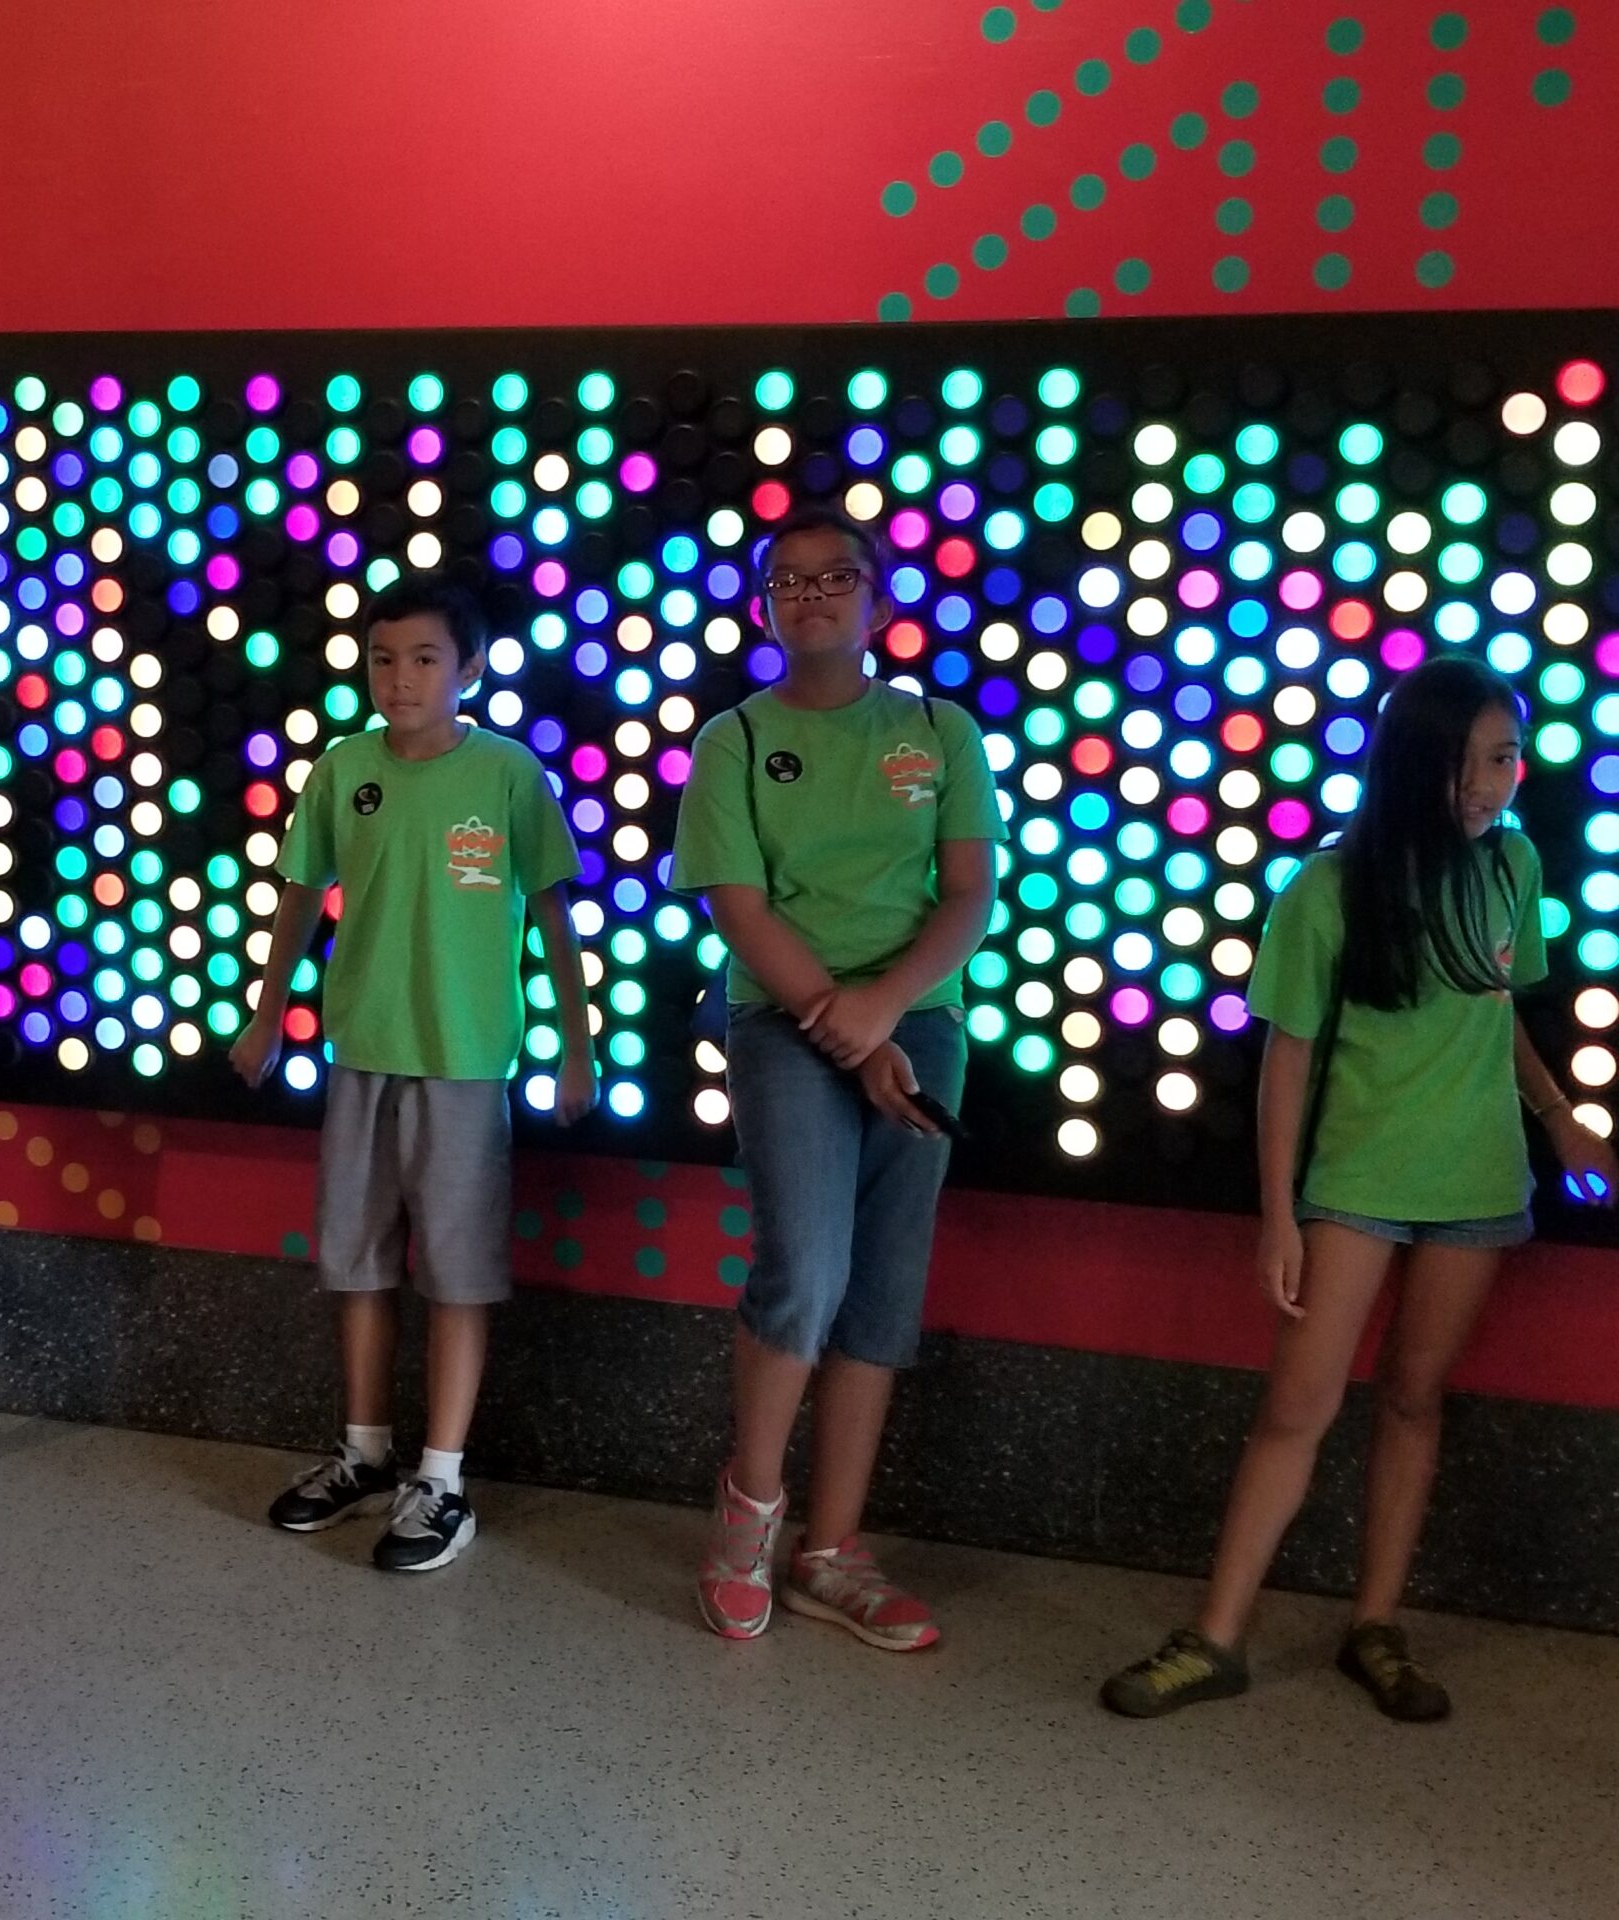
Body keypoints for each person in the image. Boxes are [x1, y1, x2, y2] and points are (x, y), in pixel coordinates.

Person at [1102, 656, 1615, 1721]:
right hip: (1355, 1183)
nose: (1489, 782)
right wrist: (1279, 1214)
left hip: (1476, 1183)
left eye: (1505, 757)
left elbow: (1496, 1010)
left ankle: (1373, 1624)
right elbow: (1287, 1059)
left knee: (1414, 1398)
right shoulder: (1327, 888)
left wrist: (1560, 1116)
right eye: (1466, 761)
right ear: (1409, 764)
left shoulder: (1514, 865)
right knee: (1296, 1407)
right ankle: (1216, 1635)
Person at [670, 502, 1004, 1648]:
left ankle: (831, 1553)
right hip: (782, 1026)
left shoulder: (937, 729)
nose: (811, 595)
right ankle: (747, 1520)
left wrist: (884, 1009)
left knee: (881, 1295)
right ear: (766, 607)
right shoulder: (736, 739)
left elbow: (968, 894)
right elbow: (735, 903)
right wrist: (837, 1021)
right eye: (788, 580)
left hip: (921, 1023)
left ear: (877, 600)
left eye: (836, 577)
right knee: (801, 1273)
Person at [233, 575, 596, 1572]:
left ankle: (441, 1477)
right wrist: (267, 1015)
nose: (400, 679)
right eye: (383, 658)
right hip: (361, 1048)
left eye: (425, 658)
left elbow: (556, 913)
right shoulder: (342, 769)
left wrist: (577, 1040)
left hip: (466, 1060)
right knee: (356, 1262)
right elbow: (301, 895)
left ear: (469, 668)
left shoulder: (510, 775)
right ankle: (363, 1453)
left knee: (459, 1272)